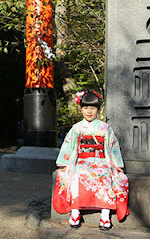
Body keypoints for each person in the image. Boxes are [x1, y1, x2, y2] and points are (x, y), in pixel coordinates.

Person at [52, 89, 129, 230]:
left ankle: (105, 215)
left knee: (106, 176)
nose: (89, 111)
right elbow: (68, 145)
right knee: (76, 175)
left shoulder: (105, 128)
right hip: (81, 161)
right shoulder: (76, 128)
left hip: (101, 161)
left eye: (93, 108)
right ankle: (75, 212)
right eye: (86, 108)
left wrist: (117, 164)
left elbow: (113, 146)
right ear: (80, 109)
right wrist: (63, 164)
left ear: (98, 110)